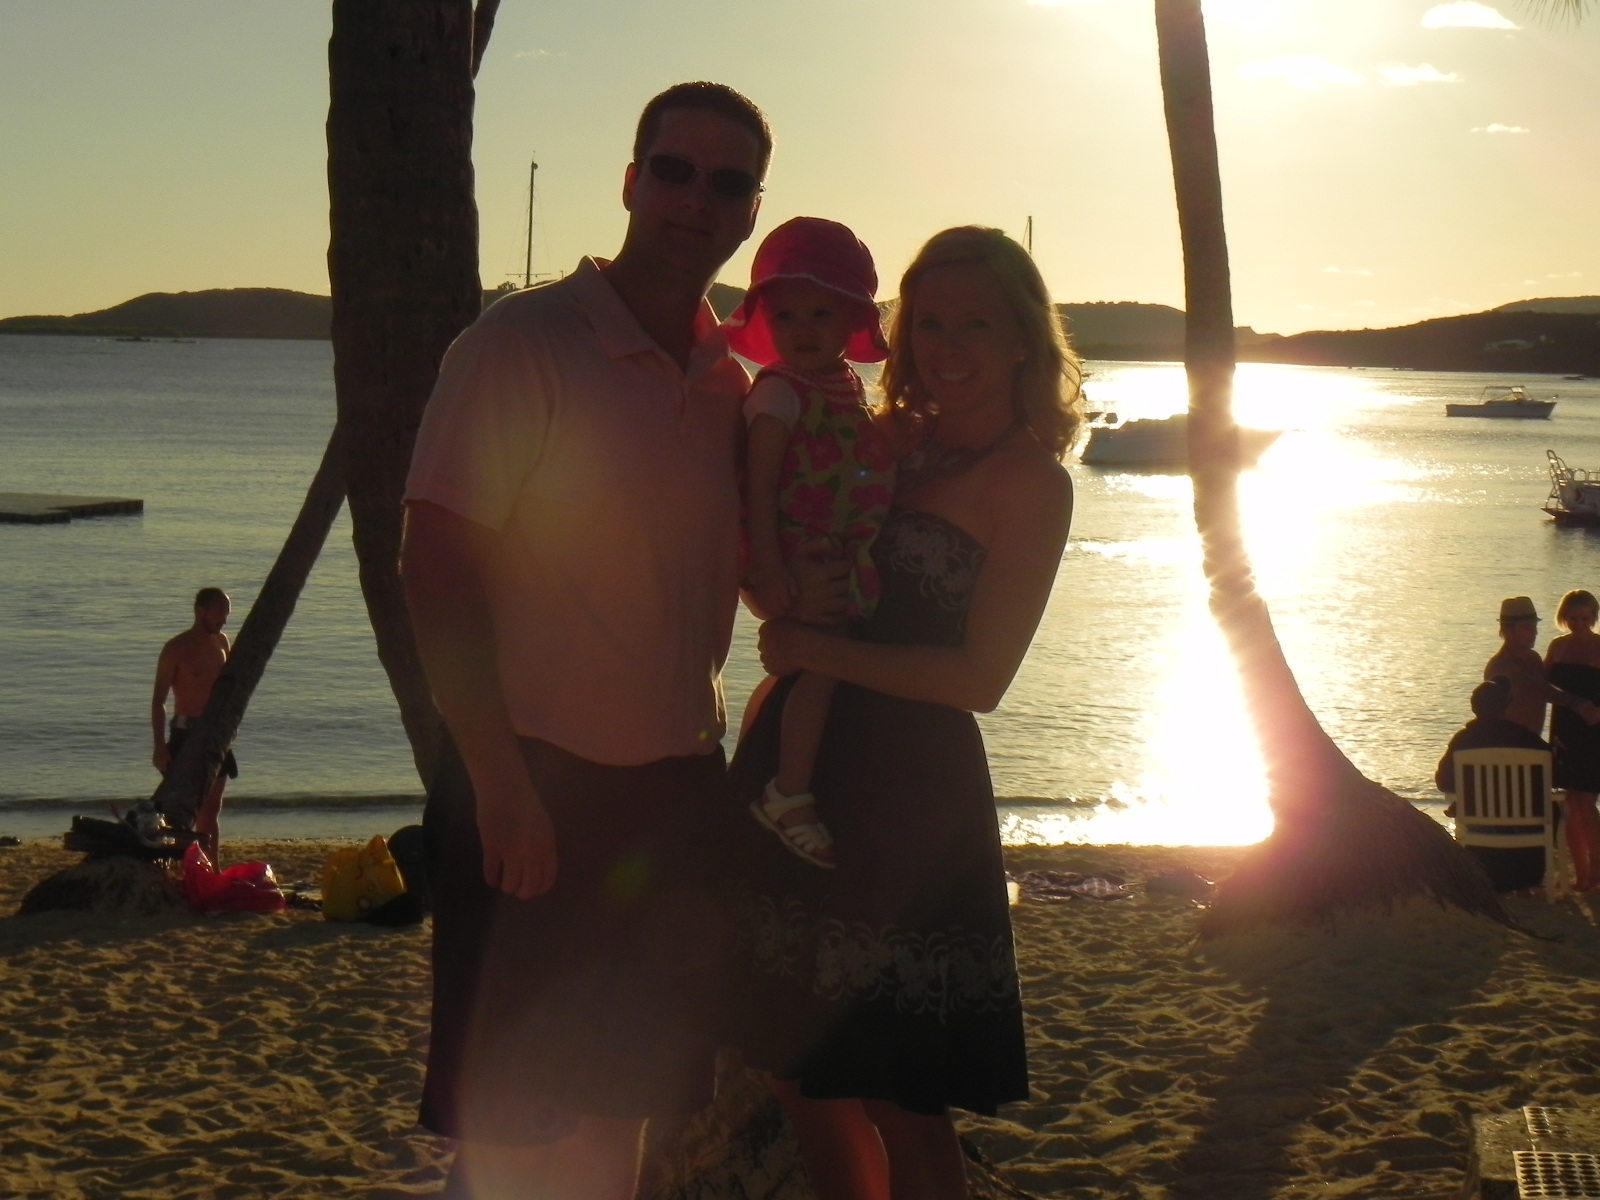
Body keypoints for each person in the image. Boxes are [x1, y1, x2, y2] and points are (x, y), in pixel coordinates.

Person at [402, 83, 816, 1200]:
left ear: (749, 212)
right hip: (530, 785)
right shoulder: (522, 344)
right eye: (673, 171)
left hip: (673, 796)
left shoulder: (735, 388)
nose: (695, 199)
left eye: (726, 183)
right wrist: (500, 788)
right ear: (632, 182)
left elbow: (749, 567)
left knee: (613, 1133)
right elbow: (434, 567)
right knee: (513, 1140)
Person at [724, 226, 1081, 1200]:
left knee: (903, 1094)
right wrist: (774, 598)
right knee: (795, 1066)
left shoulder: (1031, 484)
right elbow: (778, 538)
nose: (949, 346)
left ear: (1023, 339)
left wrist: (814, 652)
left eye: (977, 324)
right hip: (797, 767)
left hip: (908, 797)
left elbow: (980, 678)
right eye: (930, 324)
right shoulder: (883, 438)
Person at [724, 216, 895, 869]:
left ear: (850, 319)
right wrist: (770, 568)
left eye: (820, 313)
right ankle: (788, 791)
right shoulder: (779, 391)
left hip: (836, 552)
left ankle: (788, 775)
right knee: (821, 664)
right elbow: (761, 482)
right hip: (800, 552)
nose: (803, 329)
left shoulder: (845, 386)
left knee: (818, 666)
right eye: (786, 315)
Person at [1434, 675, 1551, 892]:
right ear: (1505, 707)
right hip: (1525, 849)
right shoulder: (1523, 737)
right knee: (1554, 809)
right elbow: (1554, 773)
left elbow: (1443, 782)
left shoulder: (1463, 740)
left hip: (1481, 844)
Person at [150, 586, 235, 860]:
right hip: (185, 734)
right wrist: (160, 746)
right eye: (219, 613)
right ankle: (183, 865)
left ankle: (211, 868)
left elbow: (227, 690)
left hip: (217, 734)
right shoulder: (176, 648)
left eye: (227, 614)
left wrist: (230, 728)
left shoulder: (222, 643)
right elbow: (158, 701)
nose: (224, 620)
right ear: (201, 611)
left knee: (212, 808)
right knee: (181, 808)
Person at [1545, 589, 1600, 891]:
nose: (1579, 624)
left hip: (1594, 731)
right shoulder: (1558, 647)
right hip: (1564, 730)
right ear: (1564, 617)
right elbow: (1543, 686)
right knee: (1571, 804)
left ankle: (1596, 870)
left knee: (1586, 802)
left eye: (1585, 618)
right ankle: (1581, 873)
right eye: (1573, 618)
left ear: (1594, 618)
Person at [1484, 595, 1598, 737]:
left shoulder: (1534, 658)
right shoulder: (1499, 666)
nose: (1535, 632)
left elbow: (1550, 685)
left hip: (1537, 741)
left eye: (1535, 626)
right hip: (1508, 742)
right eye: (1527, 627)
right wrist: (1576, 703)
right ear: (1508, 630)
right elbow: (1536, 688)